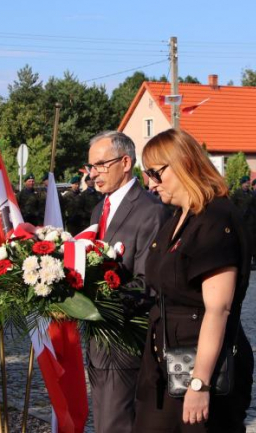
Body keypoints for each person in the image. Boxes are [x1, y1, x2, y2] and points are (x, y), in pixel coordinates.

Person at [134, 128, 253, 433]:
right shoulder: (178, 217)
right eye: (146, 174)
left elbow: (218, 309)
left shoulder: (215, 219)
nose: (150, 183)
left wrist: (199, 385)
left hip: (199, 366)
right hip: (165, 363)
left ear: (184, 163)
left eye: (155, 173)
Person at [86, 130, 169, 433]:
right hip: (99, 341)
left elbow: (150, 283)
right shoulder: (100, 208)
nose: (93, 174)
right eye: (90, 167)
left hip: (127, 343)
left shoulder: (151, 211)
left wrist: (91, 300)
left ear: (125, 162)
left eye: (100, 165)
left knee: (117, 426)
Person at [230, 176, 256, 271]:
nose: (247, 184)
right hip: (240, 221)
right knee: (241, 242)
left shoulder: (251, 194)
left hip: (250, 222)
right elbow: (231, 206)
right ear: (241, 184)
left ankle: (249, 262)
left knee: (249, 242)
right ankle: (240, 262)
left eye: (248, 183)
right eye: (245, 183)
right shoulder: (236, 194)